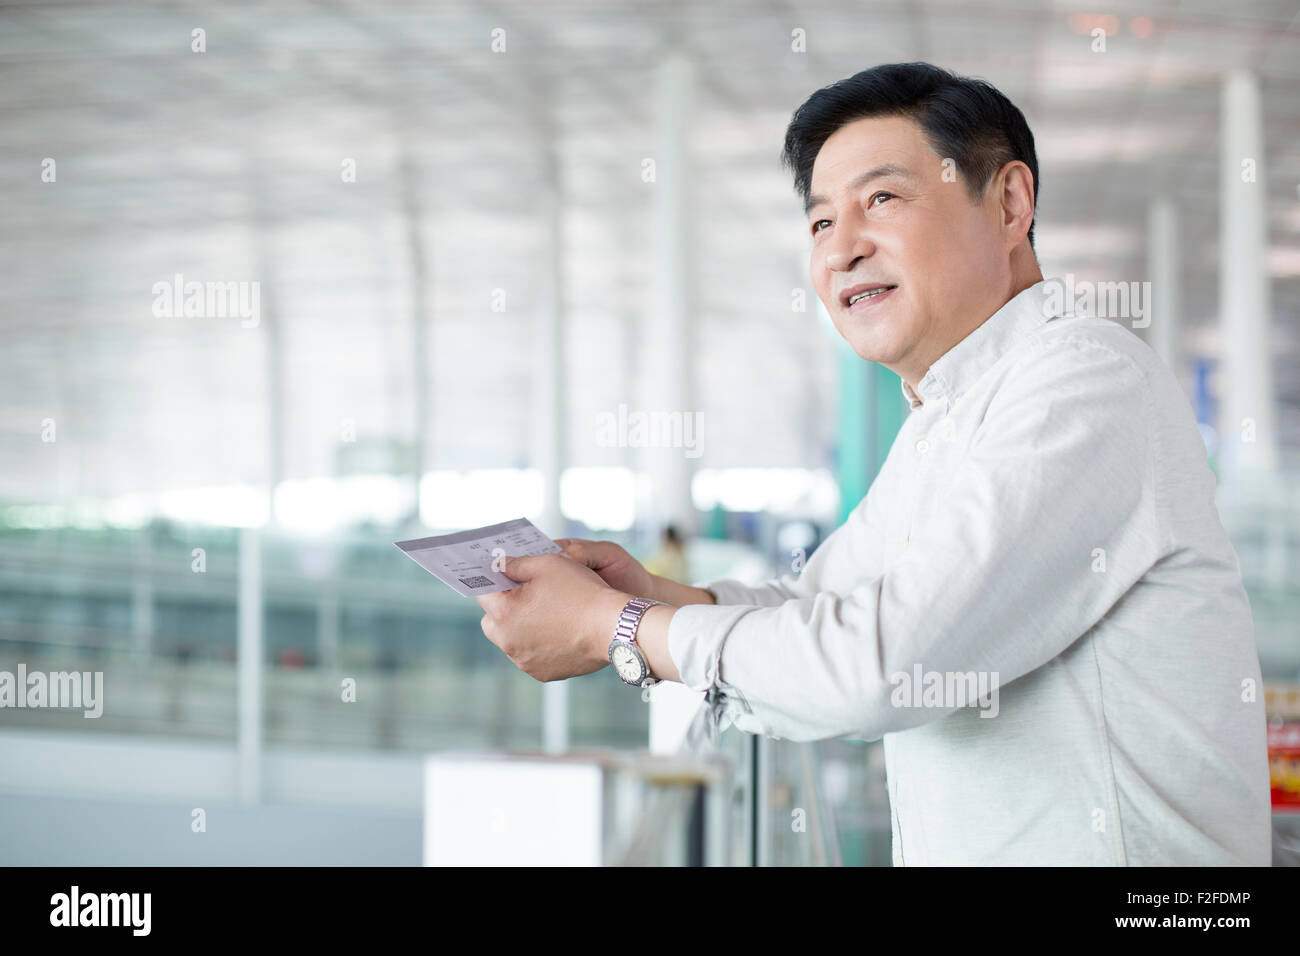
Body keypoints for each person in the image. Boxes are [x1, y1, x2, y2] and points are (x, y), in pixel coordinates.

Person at [475, 62, 1271, 865]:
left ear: (1009, 202)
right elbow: (817, 604)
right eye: (821, 223)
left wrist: (614, 629)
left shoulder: (1086, 380)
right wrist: (650, 596)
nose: (843, 248)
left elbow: (882, 663)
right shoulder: (945, 418)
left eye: (882, 200)